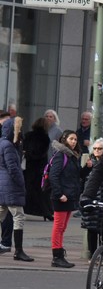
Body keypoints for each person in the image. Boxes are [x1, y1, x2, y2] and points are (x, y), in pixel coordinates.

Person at [0, 110, 34, 262]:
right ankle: (18, 251)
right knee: (18, 217)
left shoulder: (3, 143)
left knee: (2, 214)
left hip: (3, 186)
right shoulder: (8, 146)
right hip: (11, 186)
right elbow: (13, 168)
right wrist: (21, 184)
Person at [49, 130, 82, 268]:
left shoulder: (72, 156)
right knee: (58, 227)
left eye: (75, 139)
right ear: (64, 140)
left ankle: (59, 254)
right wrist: (59, 194)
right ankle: (57, 256)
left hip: (69, 196)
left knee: (62, 228)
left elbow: (76, 175)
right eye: (71, 139)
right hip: (61, 197)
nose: (73, 142)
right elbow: (53, 176)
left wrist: (87, 168)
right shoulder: (61, 155)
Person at [80, 138, 103, 257]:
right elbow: (82, 178)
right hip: (92, 201)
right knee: (92, 230)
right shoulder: (90, 163)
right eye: (95, 148)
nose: (97, 151)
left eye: (100, 148)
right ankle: (92, 255)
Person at [22, 117, 54, 219]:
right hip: (39, 167)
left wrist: (29, 156)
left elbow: (25, 149)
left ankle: (27, 209)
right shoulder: (45, 138)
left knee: (28, 188)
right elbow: (42, 153)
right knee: (40, 190)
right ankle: (46, 212)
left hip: (28, 166)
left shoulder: (28, 135)